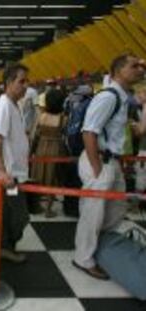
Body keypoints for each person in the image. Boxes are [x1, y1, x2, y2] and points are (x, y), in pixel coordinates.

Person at [73, 54, 146, 280]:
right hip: (100, 161)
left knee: (115, 210)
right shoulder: (109, 97)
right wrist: (97, 168)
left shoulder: (123, 98)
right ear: (117, 71)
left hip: (112, 161)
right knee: (92, 214)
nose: (140, 69)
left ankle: (100, 248)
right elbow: (89, 131)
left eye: (141, 66)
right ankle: (83, 258)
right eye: (134, 66)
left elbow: (119, 133)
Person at [0, 64, 31, 263]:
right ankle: (3, 248)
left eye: (26, 81)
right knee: (18, 217)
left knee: (10, 217)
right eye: (21, 81)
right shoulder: (4, 104)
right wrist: (2, 172)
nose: (26, 85)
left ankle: (5, 247)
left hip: (14, 174)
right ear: (8, 83)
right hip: (4, 178)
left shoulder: (14, 104)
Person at [30, 88, 67, 218]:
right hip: (56, 148)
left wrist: (31, 151)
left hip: (41, 147)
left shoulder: (42, 116)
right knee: (53, 177)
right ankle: (48, 209)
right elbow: (65, 135)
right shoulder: (63, 119)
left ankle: (36, 205)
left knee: (39, 175)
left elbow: (35, 135)